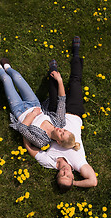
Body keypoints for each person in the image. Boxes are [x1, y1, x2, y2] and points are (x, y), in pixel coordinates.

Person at [23, 36, 97, 192]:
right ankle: (76, 53)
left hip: (55, 116)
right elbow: (93, 181)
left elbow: (33, 151)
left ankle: (53, 70)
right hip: (75, 113)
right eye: (68, 176)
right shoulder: (78, 163)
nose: (65, 172)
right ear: (73, 176)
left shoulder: (51, 162)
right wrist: (73, 184)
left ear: (57, 176)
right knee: (75, 82)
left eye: (62, 175)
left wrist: (24, 132)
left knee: (53, 91)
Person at [0, 57, 80, 151]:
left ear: (59, 142)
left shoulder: (42, 141)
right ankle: (7, 67)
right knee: (17, 77)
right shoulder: (60, 122)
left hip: (19, 111)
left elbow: (22, 129)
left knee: (6, 79)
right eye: (64, 130)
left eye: (61, 134)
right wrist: (59, 80)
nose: (61, 130)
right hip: (33, 103)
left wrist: (33, 114)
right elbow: (62, 100)